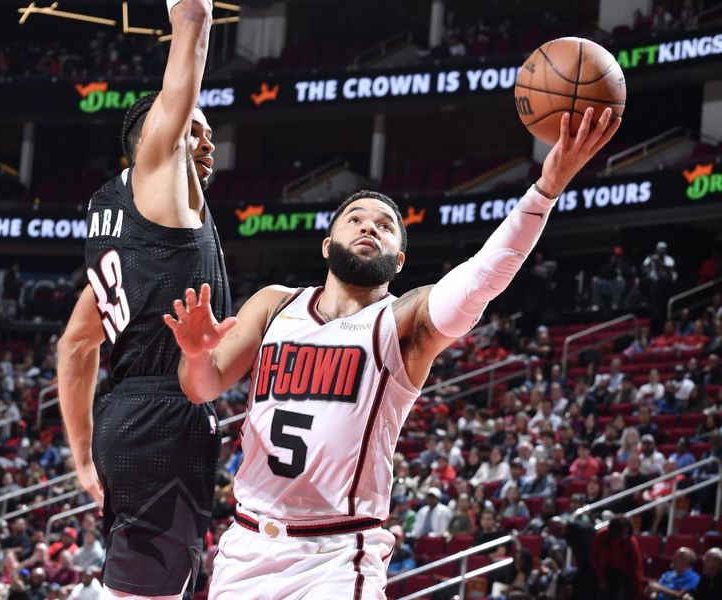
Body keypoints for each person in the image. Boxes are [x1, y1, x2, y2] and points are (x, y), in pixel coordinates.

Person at [166, 108, 620, 598]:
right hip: (246, 546)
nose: (369, 227)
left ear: (398, 259)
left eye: (385, 225)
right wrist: (194, 354)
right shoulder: (274, 304)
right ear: (326, 245)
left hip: (335, 556)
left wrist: (545, 189)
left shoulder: (403, 321)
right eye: (355, 219)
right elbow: (202, 388)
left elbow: (483, 277)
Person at [56, 1, 232, 598]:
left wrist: (83, 460)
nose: (206, 144)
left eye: (210, 134)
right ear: (157, 138)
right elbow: (191, 29)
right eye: (193, 131)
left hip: (125, 419)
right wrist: (194, 12)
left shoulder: (125, 231)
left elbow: (77, 343)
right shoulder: (156, 176)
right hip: (162, 419)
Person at [591, 515, 644, 599]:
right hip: (602, 570)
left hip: (621, 574)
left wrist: (639, 589)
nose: (625, 536)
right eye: (622, 533)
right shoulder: (602, 536)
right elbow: (595, 558)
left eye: (627, 533)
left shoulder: (631, 542)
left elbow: (636, 566)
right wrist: (601, 580)